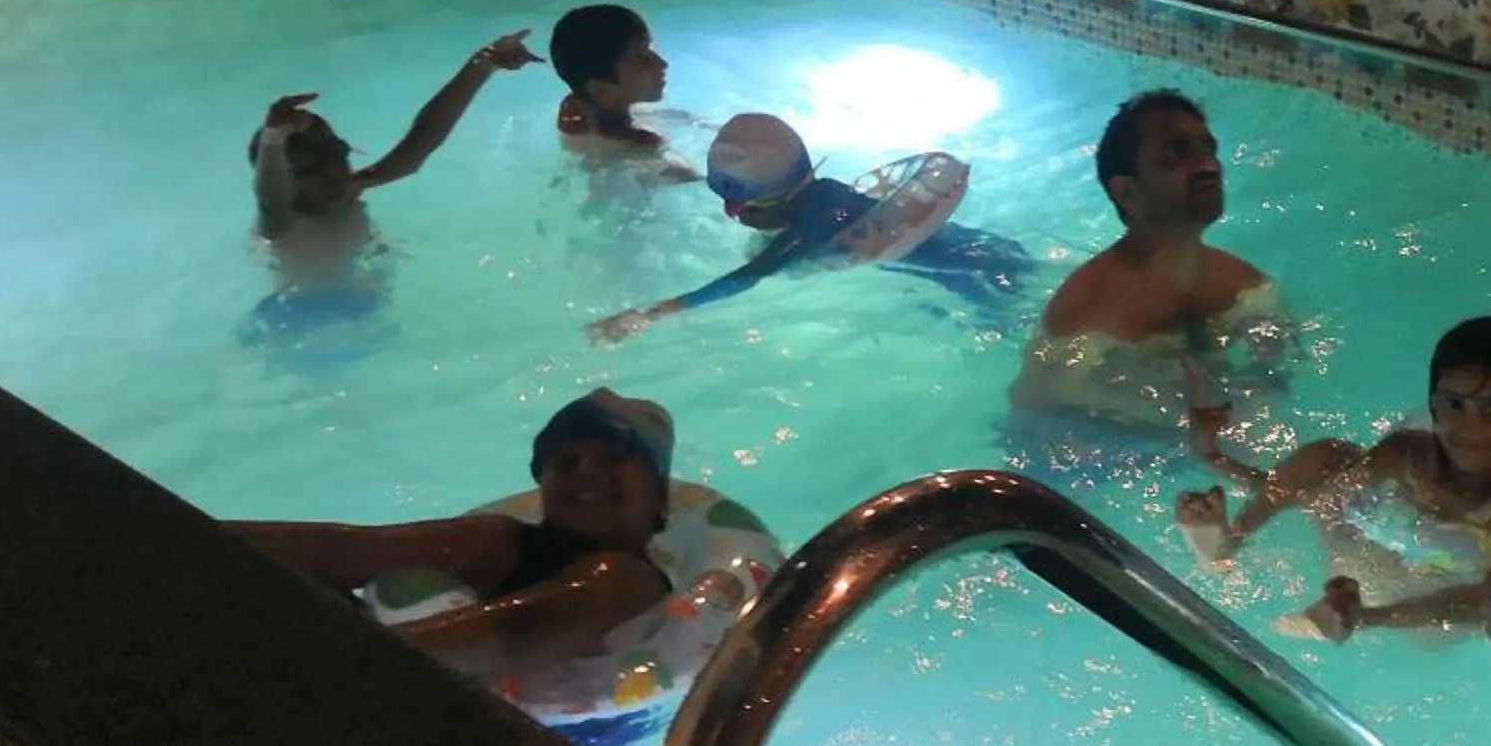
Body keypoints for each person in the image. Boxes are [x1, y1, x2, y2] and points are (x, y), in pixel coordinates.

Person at [229, 389, 677, 672]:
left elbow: (520, 631)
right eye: (565, 461)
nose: (584, 471)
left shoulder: (626, 578)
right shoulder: (497, 542)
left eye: (612, 459)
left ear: (658, 497)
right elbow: (347, 550)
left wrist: (329, 668)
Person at [1176, 316, 1491, 644]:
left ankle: (1356, 620)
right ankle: (1226, 544)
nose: (1468, 426)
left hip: (1422, 610)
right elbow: (1313, 493)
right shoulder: (1405, 453)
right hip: (1362, 566)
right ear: (1433, 403)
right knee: (1329, 457)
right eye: (1454, 404)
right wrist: (1214, 457)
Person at [587, 112, 1031, 342]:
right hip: (974, 249)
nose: (736, 217)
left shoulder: (808, 230)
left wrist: (652, 314)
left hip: (977, 275)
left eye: (737, 208)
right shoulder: (826, 195)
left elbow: (746, 278)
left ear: (769, 201)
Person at [1010, 90, 1284, 435]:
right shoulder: (1082, 322)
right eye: (1176, 154)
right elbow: (1033, 429)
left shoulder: (1244, 284)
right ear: (1126, 192)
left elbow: (1280, 378)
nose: (1208, 166)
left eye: (1208, 148)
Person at [249, 30, 541, 280]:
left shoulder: (344, 191)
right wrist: (272, 139)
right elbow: (269, 196)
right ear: (286, 176)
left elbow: (421, 143)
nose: (335, 167)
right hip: (304, 321)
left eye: (337, 151)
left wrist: (484, 63)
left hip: (359, 310)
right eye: (315, 163)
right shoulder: (281, 224)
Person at [549, 3, 699, 181]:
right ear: (602, 91)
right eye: (643, 58)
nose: (662, 63)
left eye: (652, 50)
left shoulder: (584, 111)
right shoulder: (641, 159)